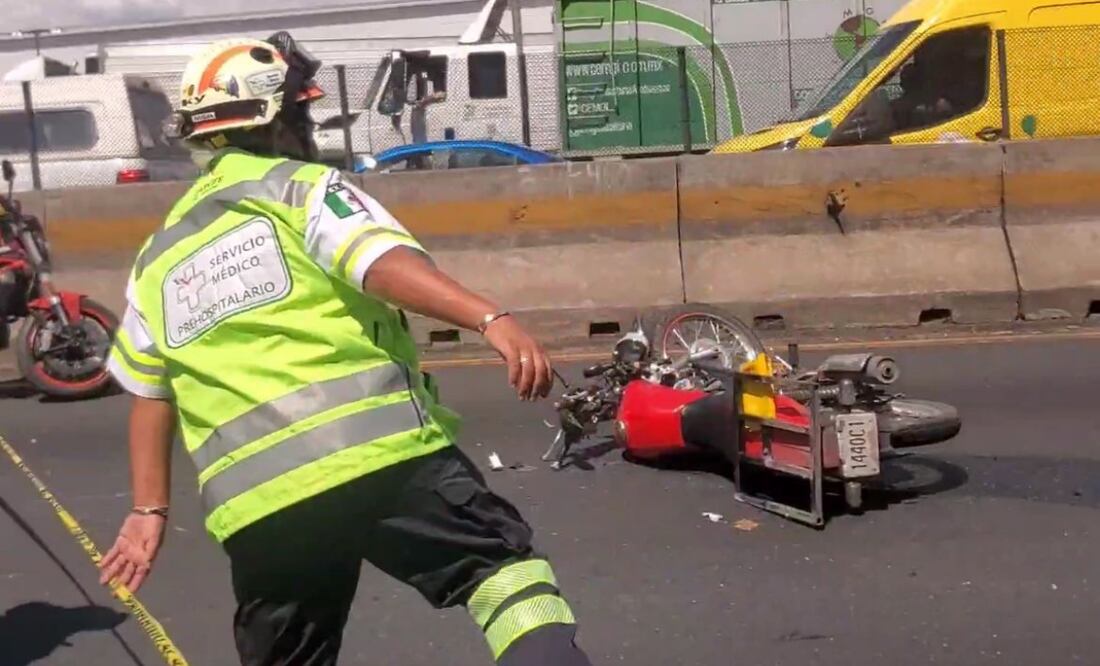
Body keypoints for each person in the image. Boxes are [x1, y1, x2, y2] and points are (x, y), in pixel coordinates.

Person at [97, 32, 593, 666]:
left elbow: (150, 393)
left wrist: (147, 509)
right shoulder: (301, 189)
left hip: (260, 505)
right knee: (506, 580)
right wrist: (488, 316)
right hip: (378, 458)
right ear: (280, 118)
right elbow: (375, 262)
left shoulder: (155, 259)